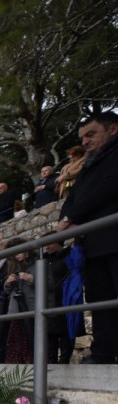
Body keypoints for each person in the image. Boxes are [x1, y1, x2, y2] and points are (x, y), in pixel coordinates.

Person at [57, 112, 118, 364]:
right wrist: (61, 224)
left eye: (91, 134)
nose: (85, 142)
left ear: (113, 129)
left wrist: (72, 217)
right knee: (99, 300)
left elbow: (110, 186)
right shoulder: (89, 165)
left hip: (113, 237)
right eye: (82, 137)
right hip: (92, 244)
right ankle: (103, 353)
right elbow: (72, 198)